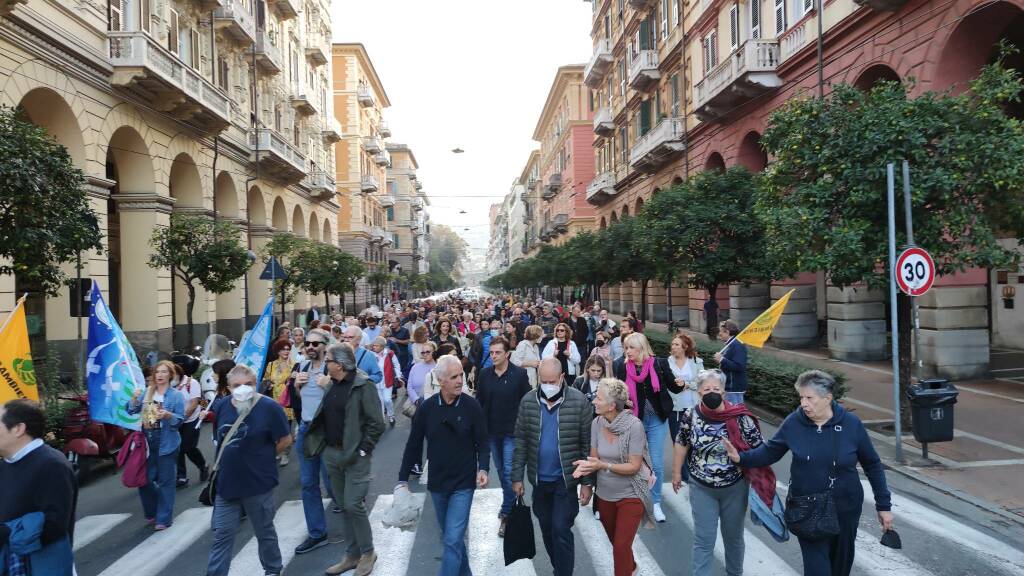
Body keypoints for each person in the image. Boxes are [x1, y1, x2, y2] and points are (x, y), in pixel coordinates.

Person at [723, 370, 895, 576]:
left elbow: (873, 464)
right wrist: (741, 458)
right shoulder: (794, 423)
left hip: (845, 509)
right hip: (806, 508)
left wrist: (883, 505)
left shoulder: (851, 424)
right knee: (817, 570)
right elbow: (770, 452)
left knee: (840, 567)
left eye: (809, 398)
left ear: (827, 398)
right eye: (801, 397)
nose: (803, 403)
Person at [397, 355, 489, 576]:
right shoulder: (427, 408)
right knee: (451, 538)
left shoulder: (471, 405)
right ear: (440, 380)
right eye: (454, 377)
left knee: (452, 538)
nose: (460, 381)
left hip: (463, 483)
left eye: (461, 376)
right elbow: (413, 444)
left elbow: (483, 443)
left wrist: (483, 468)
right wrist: (402, 480)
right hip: (437, 483)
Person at [302, 344, 385, 576]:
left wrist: (363, 450)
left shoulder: (362, 386)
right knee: (344, 505)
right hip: (332, 453)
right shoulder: (332, 384)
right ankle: (352, 555)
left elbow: (377, 423)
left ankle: (368, 552)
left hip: (355, 456)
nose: (324, 363)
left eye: (327, 360)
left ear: (338, 365)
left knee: (353, 504)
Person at [671, 369, 763, 576]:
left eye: (716, 389)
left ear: (724, 392)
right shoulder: (691, 415)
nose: (711, 392)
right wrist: (677, 473)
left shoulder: (739, 416)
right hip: (701, 486)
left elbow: (760, 449)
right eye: (706, 389)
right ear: (698, 393)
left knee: (733, 538)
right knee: (704, 540)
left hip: (735, 487)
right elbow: (681, 442)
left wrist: (743, 460)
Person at [206, 365, 292, 576]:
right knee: (222, 535)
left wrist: (265, 458)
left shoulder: (269, 407)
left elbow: (285, 439)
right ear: (228, 387)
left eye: (248, 385)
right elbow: (220, 438)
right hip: (227, 484)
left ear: (256, 384)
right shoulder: (222, 406)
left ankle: (273, 570)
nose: (242, 389)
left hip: (258, 483)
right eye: (237, 385)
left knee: (264, 531)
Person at [511, 358, 593, 576]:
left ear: (562, 378)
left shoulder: (579, 402)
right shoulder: (528, 401)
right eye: (543, 380)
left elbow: (586, 445)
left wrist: (587, 484)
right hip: (539, 481)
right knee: (547, 528)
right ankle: (560, 567)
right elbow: (520, 441)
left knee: (560, 528)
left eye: (551, 380)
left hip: (564, 482)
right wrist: (516, 477)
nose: (547, 385)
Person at [571, 378, 654, 576]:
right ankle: (631, 566)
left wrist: (604, 465)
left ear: (611, 405)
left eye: (598, 398)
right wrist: (586, 479)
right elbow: (594, 458)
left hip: (632, 493)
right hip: (605, 495)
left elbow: (634, 467)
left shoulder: (634, 426)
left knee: (620, 546)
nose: (593, 401)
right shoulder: (596, 423)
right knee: (617, 544)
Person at [0, 400, 76, 575]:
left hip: (42, 565)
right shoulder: (6, 465)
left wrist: (5, 532)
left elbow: (54, 525)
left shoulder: (51, 464)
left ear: (19, 429)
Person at [612, 332, 682, 523]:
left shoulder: (659, 364)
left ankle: (656, 501)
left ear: (641, 348)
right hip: (635, 421)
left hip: (658, 420)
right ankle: (637, 497)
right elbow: (617, 393)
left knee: (657, 463)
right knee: (635, 462)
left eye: (631, 347)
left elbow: (673, 387)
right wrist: (623, 401)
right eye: (626, 347)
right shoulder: (620, 365)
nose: (627, 351)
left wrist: (681, 384)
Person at [474, 336, 531, 537]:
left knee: (508, 472)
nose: (494, 356)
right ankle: (509, 503)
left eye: (498, 352)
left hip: (512, 432)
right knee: (500, 471)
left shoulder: (519, 374)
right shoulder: (484, 374)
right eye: (491, 352)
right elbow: (478, 402)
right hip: (491, 432)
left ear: (507, 354)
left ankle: (507, 513)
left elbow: (527, 401)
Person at [285, 329, 333, 554]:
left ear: (325, 345)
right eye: (308, 343)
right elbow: (298, 401)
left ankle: (351, 509)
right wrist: (296, 387)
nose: (311, 346)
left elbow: (345, 401)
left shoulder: (332, 369)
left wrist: (330, 386)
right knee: (308, 483)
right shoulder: (301, 367)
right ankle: (317, 532)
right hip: (305, 429)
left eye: (316, 343)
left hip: (327, 430)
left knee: (333, 480)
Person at [126, 359, 185, 530]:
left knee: (166, 481)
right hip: (146, 440)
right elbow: (130, 410)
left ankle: (163, 518)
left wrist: (168, 415)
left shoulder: (176, 396)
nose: (160, 375)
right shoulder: (147, 392)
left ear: (170, 375)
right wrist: (135, 398)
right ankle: (153, 511)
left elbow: (180, 421)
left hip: (166, 439)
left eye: (164, 372)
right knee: (144, 480)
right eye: (157, 372)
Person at [172, 355, 208, 487]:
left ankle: (202, 465)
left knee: (188, 447)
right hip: (174, 420)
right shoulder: (168, 384)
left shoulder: (192, 384)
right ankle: (181, 476)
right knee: (177, 448)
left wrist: (181, 418)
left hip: (191, 420)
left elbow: (193, 404)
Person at [666, 333, 703, 445]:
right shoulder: (667, 362)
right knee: (677, 441)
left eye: (677, 344)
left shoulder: (697, 362)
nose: (673, 347)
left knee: (693, 441)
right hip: (675, 408)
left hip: (693, 408)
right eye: (672, 344)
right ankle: (682, 463)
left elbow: (702, 383)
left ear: (685, 347)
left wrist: (686, 384)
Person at [263, 339, 296, 466]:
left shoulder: (294, 364)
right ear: (278, 351)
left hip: (287, 401)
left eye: (288, 349)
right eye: (283, 349)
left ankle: (286, 454)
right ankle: (279, 450)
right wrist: (268, 384)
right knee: (275, 428)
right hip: (273, 402)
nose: (286, 351)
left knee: (286, 429)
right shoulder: (271, 365)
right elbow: (266, 379)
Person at [714, 320, 748, 405]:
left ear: (727, 332)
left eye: (720, 331)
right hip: (730, 387)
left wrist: (722, 359)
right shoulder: (732, 344)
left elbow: (739, 366)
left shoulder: (737, 345)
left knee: (734, 413)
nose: (719, 334)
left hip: (733, 388)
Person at [371, 336, 403, 427]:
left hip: (387, 381)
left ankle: (391, 415)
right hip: (377, 382)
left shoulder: (390, 353)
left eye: (376, 346)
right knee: (379, 401)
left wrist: (398, 375)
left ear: (382, 346)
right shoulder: (372, 355)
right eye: (374, 345)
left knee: (387, 400)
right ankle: (382, 420)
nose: (374, 347)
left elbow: (396, 365)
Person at [511, 324, 543, 388]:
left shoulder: (536, 347)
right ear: (535, 335)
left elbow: (536, 362)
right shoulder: (523, 344)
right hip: (523, 379)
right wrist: (530, 363)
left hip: (533, 379)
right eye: (541, 335)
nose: (542, 337)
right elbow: (515, 362)